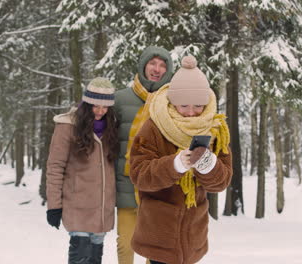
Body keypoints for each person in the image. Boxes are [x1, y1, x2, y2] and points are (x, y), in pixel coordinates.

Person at [129, 55, 233, 264]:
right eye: (183, 105)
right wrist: (174, 165)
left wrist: (208, 164)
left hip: (193, 234)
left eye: (198, 106)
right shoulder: (154, 126)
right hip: (159, 232)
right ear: (173, 101)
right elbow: (139, 174)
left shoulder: (215, 129)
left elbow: (221, 182)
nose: (191, 113)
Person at [45, 77, 118, 264]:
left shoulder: (112, 127)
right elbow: (55, 167)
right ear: (86, 104)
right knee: (80, 256)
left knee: (95, 258)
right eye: (95, 106)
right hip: (77, 207)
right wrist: (54, 206)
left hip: (102, 209)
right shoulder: (67, 126)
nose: (100, 111)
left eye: (105, 107)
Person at [114, 46, 174, 264]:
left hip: (156, 185)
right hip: (127, 184)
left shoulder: (171, 103)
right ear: (143, 65)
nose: (156, 69)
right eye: (152, 63)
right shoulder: (120, 99)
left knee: (154, 249)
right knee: (125, 244)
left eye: (162, 65)